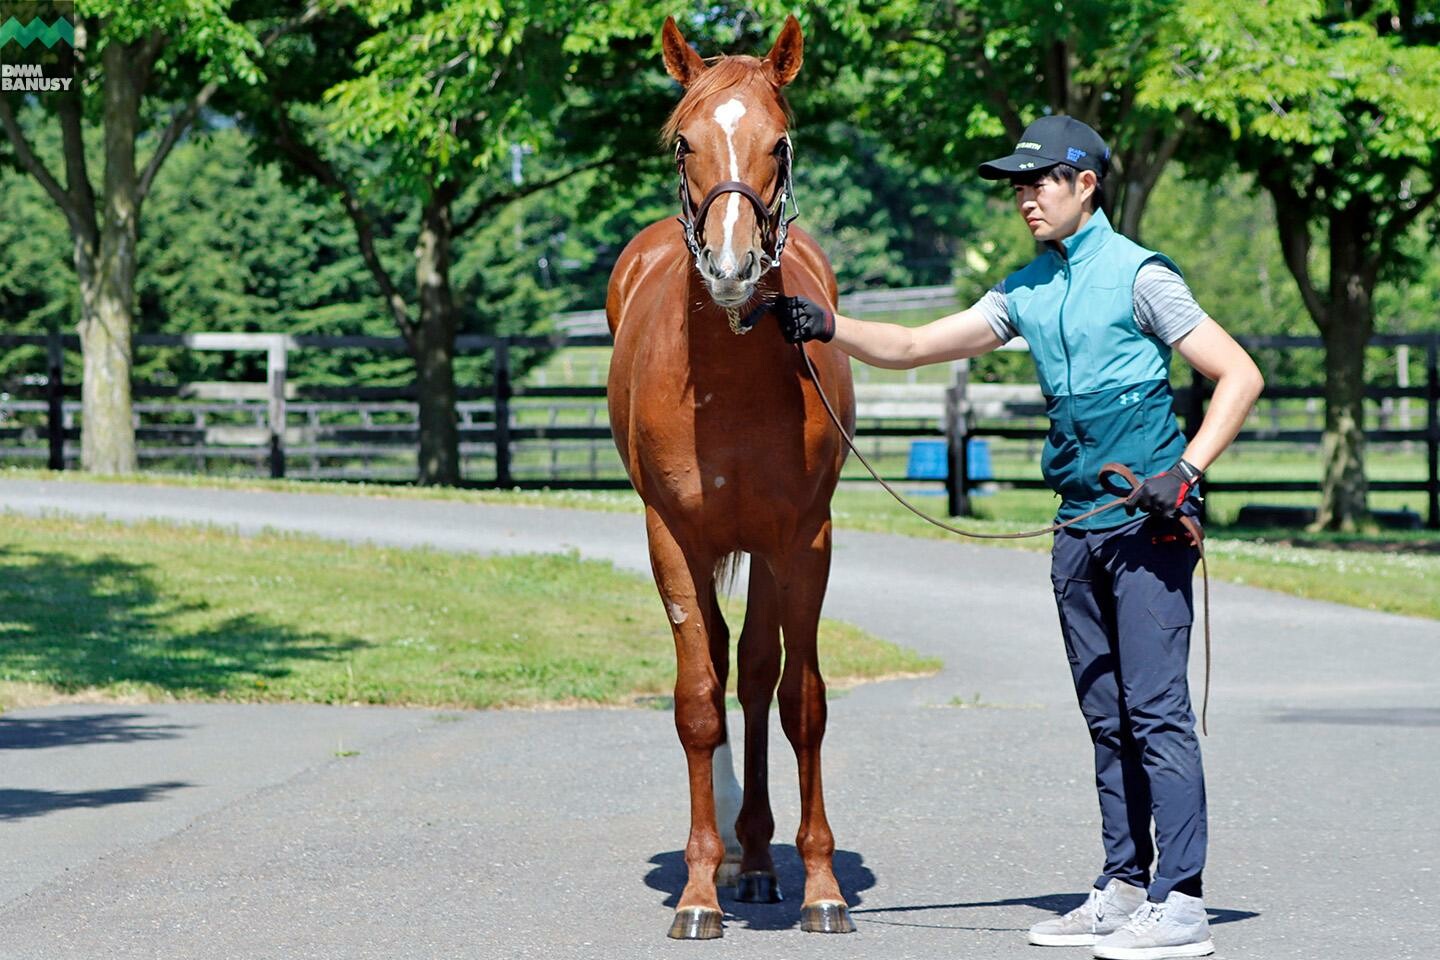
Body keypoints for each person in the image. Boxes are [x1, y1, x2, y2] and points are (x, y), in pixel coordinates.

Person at [764, 115, 1264, 960]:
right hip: (1076, 525)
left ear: (1086, 184)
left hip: (1147, 521)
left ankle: (1181, 901)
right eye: (1017, 186)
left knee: (1156, 712)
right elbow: (917, 343)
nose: (1025, 197)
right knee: (1106, 715)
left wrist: (1188, 469)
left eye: (1040, 181)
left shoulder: (1140, 276)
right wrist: (824, 324)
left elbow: (1239, 373)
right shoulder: (1027, 288)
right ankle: (1123, 884)